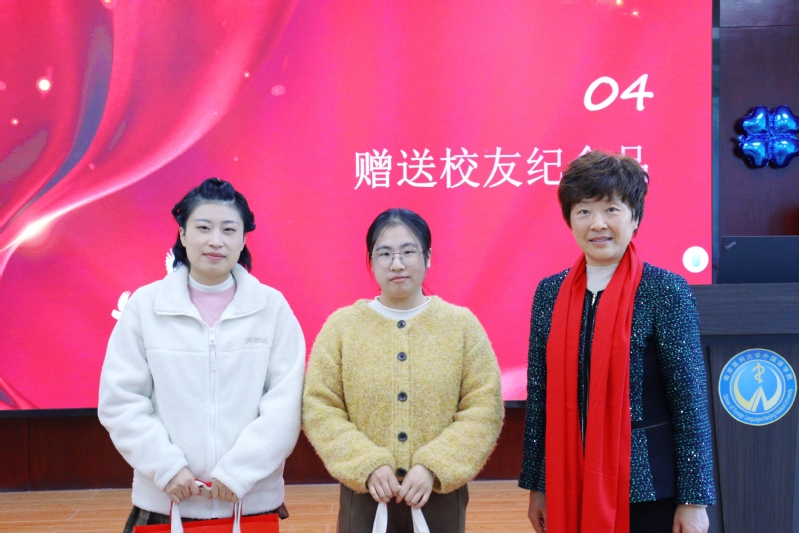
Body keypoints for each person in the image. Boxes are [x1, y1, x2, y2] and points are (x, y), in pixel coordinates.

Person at [519, 152, 716, 533]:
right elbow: (540, 397)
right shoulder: (549, 294)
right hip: (568, 482)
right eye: (583, 211)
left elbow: (689, 402)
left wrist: (694, 500)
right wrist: (537, 486)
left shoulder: (665, 291)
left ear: (635, 217)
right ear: (569, 220)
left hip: (648, 488)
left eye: (611, 209)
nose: (597, 224)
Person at [98, 178, 305, 531]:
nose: (216, 241)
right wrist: (167, 469)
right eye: (203, 228)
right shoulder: (145, 308)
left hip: (248, 501)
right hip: (167, 500)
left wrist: (239, 472)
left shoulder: (272, 308)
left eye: (229, 230)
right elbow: (121, 401)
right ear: (182, 234)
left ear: (243, 239)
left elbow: (286, 404)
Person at [302, 208, 503, 533]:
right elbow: (320, 406)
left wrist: (434, 466)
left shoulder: (462, 326)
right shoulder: (342, 327)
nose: (397, 264)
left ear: (428, 257)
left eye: (408, 252)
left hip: (438, 495)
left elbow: (483, 408)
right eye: (385, 254)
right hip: (365, 494)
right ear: (371, 262)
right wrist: (366, 463)